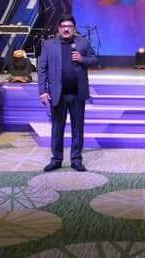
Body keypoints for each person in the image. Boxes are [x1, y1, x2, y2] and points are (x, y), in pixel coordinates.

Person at [38, 14, 97, 172]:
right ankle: (56, 159)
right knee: (57, 127)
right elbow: (42, 69)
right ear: (58, 29)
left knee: (78, 127)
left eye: (69, 26)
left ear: (74, 29)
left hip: (77, 93)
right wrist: (42, 91)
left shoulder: (83, 42)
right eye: (63, 26)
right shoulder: (49, 44)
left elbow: (94, 59)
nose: (66, 29)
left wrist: (82, 59)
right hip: (58, 94)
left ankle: (76, 159)